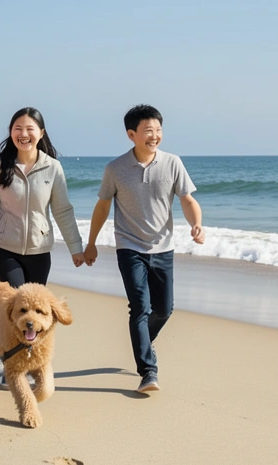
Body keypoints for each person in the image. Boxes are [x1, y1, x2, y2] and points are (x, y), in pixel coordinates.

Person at [83, 104, 204, 394]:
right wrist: (91, 243)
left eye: (159, 130)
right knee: (140, 306)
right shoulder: (115, 169)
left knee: (164, 308)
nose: (155, 136)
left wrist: (196, 224)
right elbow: (102, 206)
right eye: (149, 130)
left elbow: (187, 199)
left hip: (163, 247)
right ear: (131, 134)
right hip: (129, 246)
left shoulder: (173, 163)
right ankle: (148, 371)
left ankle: (142, 342)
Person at [0, 107, 85, 287]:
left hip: (40, 251)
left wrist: (76, 248)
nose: (23, 134)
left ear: (41, 133)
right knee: (17, 299)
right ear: (11, 132)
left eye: (29, 128)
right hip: (4, 248)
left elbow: (62, 211)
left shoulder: (53, 168)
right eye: (18, 128)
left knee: (32, 311)